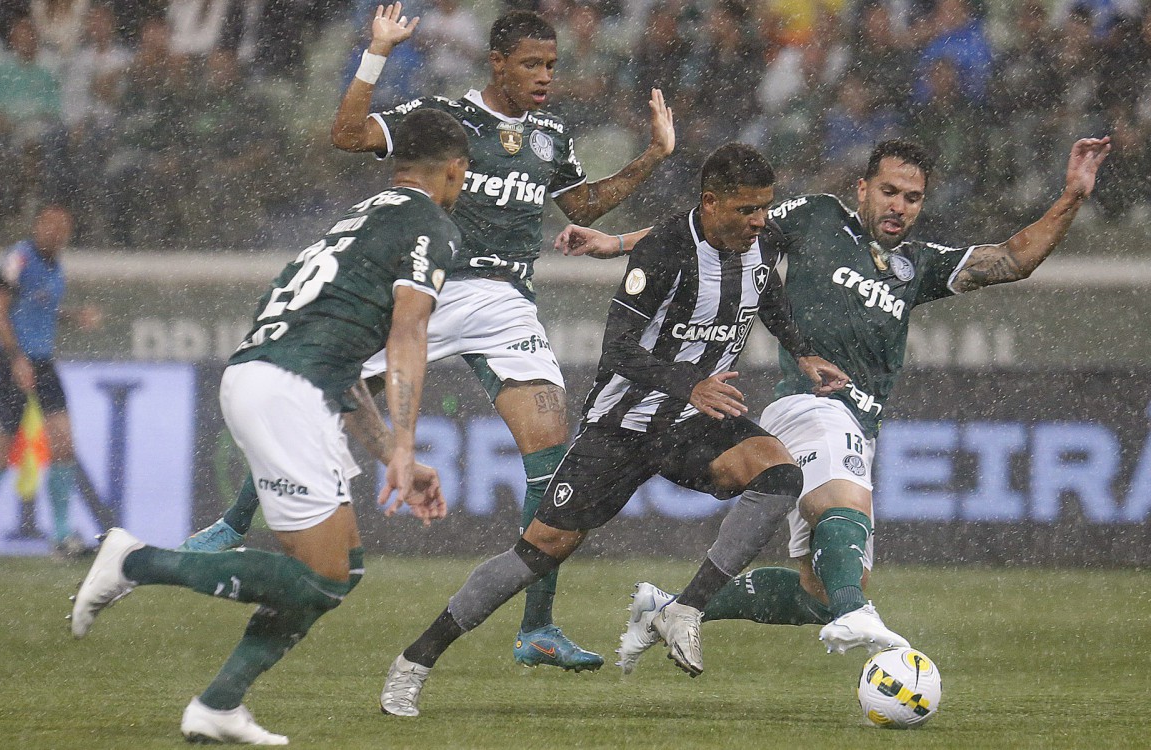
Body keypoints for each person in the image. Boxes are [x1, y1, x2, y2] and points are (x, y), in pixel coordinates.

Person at [182, 4, 676, 672]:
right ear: (496, 61)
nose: (544, 77)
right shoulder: (445, 121)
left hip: (508, 305)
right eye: (531, 64)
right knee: (327, 387)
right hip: (434, 288)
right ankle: (233, 524)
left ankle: (537, 628)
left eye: (552, 66)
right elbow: (348, 133)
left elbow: (581, 205)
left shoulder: (550, 133)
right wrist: (377, 51)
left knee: (552, 459)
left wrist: (653, 155)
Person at [558, 136, 1113, 668]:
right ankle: (857, 615)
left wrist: (1072, 197)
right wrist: (618, 243)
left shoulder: (918, 266)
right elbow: (714, 226)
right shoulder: (818, 217)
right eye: (889, 192)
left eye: (912, 198)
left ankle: (674, 607)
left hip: (861, 423)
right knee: (843, 522)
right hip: (808, 403)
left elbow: (1013, 259)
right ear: (862, 189)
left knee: (816, 591)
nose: (899, 207)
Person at [377, 143, 850, 716]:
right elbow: (618, 350)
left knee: (777, 473)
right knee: (538, 551)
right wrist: (690, 384)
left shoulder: (760, 244)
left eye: (764, 209)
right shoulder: (665, 250)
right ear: (711, 201)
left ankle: (686, 608)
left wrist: (802, 354)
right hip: (619, 429)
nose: (759, 222)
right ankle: (415, 661)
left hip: (685, 423)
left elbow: (767, 296)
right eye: (747, 210)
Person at [69, 108, 466, 745]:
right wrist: (407, 444)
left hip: (268, 377)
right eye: (463, 174)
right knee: (321, 577)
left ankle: (220, 705)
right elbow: (408, 332)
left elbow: (340, 371)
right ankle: (135, 561)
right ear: (455, 169)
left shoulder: (350, 227)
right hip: (287, 391)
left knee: (341, 569)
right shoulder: (431, 227)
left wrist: (393, 450)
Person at [0, 204, 100, 560]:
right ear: (37, 226)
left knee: (64, 443)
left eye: (62, 228)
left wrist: (73, 316)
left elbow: (40, 310)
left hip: (42, 363)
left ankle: (62, 537)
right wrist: (15, 357)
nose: (55, 233)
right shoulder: (18, 258)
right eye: (49, 225)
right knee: (3, 452)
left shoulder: (56, 268)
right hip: (9, 364)